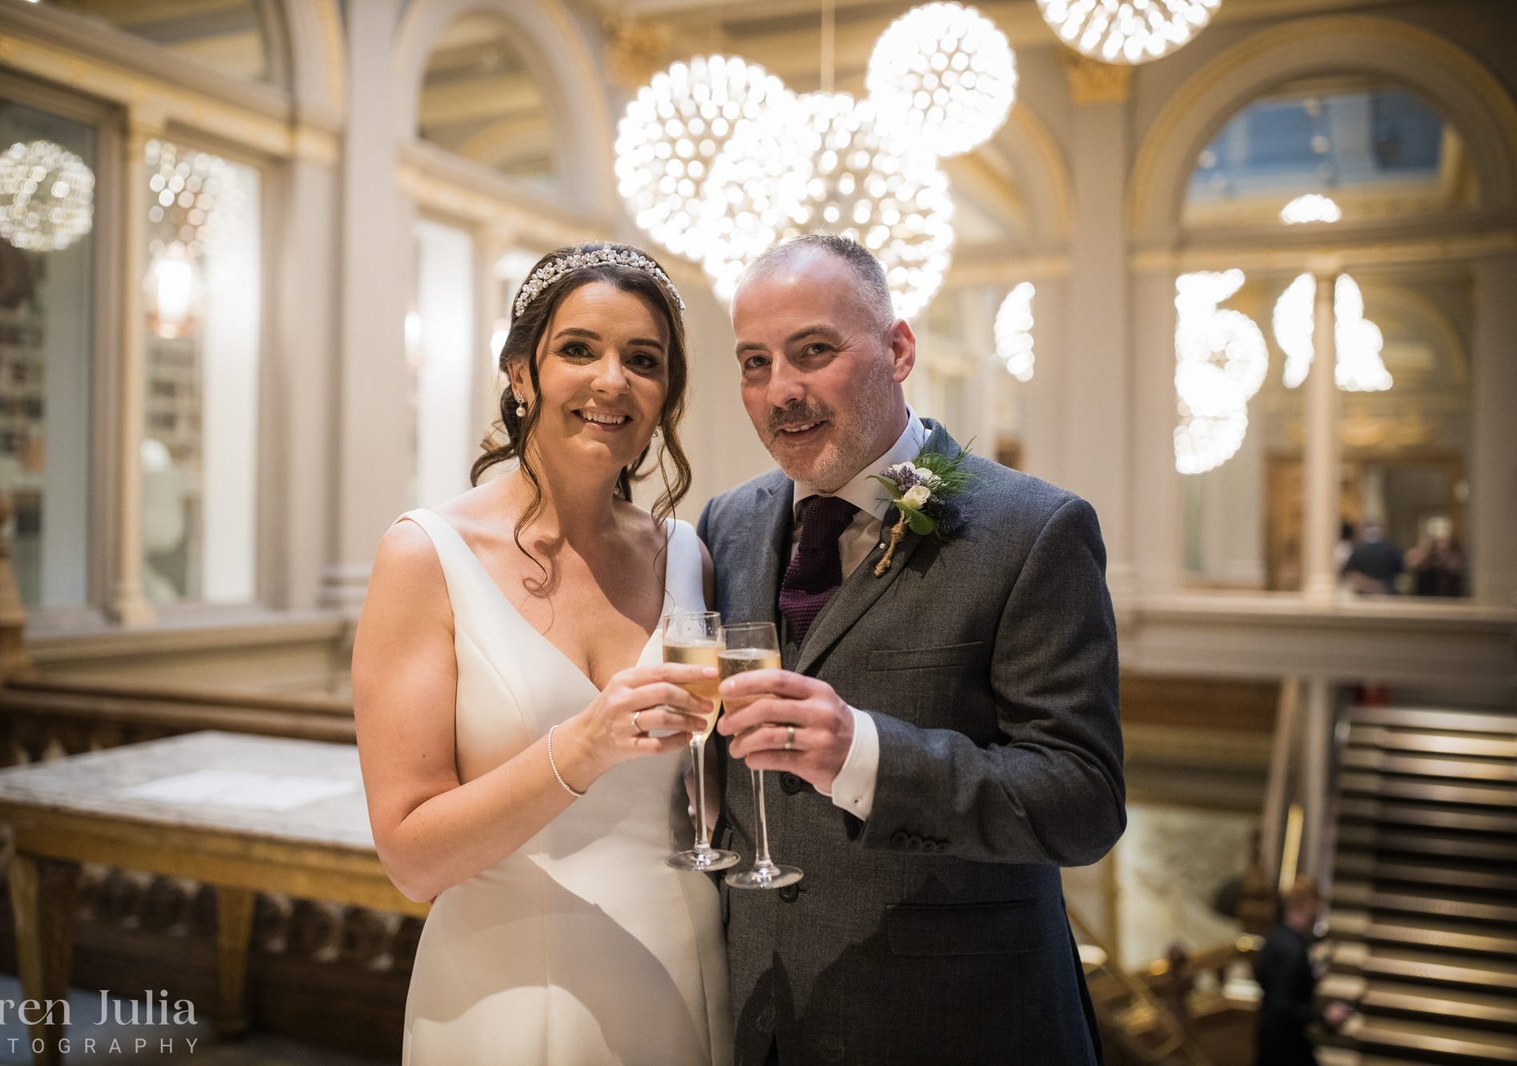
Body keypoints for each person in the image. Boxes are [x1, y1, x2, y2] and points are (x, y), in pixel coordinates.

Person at [700, 235, 1125, 1064]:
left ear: (897, 350)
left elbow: (1083, 801)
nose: (781, 390)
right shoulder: (729, 524)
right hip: (765, 1018)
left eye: (813, 351)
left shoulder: (1034, 530)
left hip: (958, 1025)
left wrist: (866, 755)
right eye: (754, 363)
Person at [353, 242, 732, 1065]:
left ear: (665, 395)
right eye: (578, 350)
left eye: (643, 360)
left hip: (686, 968)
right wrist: (583, 746)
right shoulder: (425, 556)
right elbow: (412, 858)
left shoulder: (690, 556)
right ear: (520, 372)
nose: (611, 382)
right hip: (506, 986)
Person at [1254, 876, 1353, 1066]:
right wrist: (1324, 1016)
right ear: (1310, 905)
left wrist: (1310, 977)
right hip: (1285, 1043)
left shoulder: (1276, 935)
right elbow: (1282, 1005)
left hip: (1269, 1033)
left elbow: (1272, 982)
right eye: (1317, 906)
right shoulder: (1293, 950)